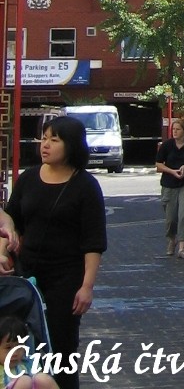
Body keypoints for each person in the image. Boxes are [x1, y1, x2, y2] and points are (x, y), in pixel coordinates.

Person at [0, 116, 107, 389]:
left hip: (66, 279)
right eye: (44, 138)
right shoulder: (28, 178)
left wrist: (87, 286)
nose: (45, 145)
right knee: (20, 343)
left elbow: (93, 242)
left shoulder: (85, 186)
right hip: (26, 276)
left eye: (54, 140)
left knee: (61, 348)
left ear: (71, 146)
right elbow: (10, 222)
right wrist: (2, 253)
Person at [155, 117, 184, 259]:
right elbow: (158, 164)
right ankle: (172, 240)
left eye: (178, 129)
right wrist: (171, 171)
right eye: (173, 129)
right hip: (169, 184)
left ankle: (182, 248)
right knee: (171, 219)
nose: (174, 132)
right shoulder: (167, 145)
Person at [0, 314, 59, 388]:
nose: (15, 353)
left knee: (43, 379)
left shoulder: (29, 363)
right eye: (8, 347)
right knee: (24, 381)